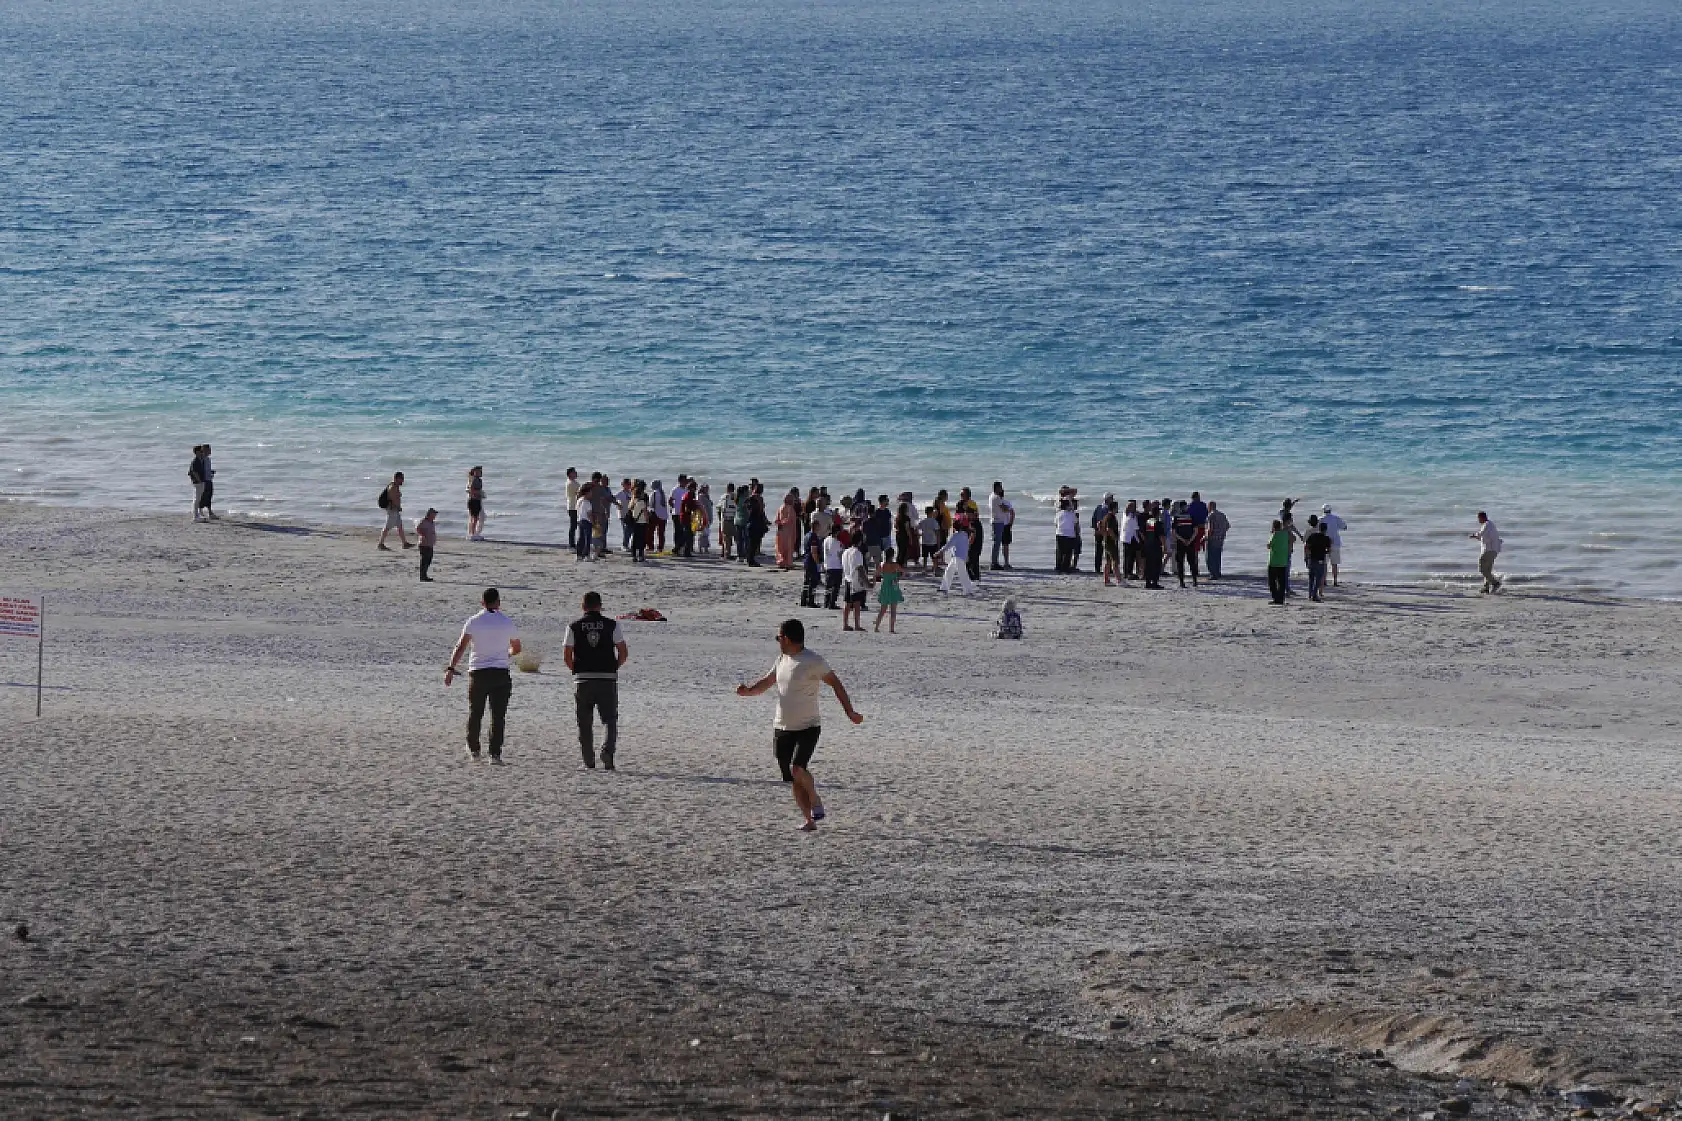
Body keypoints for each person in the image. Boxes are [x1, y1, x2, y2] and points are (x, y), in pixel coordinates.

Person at [735, 618, 864, 832]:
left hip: (808, 726)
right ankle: (809, 820)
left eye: (779, 637)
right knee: (794, 778)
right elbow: (767, 682)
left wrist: (849, 711)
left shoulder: (813, 661)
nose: (778, 641)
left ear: (787, 638)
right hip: (782, 727)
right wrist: (747, 691)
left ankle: (814, 798)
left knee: (798, 769)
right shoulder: (781, 659)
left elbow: (836, 684)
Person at [444, 587, 522, 763]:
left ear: (482, 602)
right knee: (498, 715)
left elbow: (461, 646)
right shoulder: (506, 622)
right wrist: (506, 653)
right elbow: (517, 648)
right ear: (499, 602)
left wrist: (450, 668)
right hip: (500, 673)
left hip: (478, 673)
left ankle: (474, 749)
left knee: (476, 712)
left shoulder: (474, 621)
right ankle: (495, 754)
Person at [564, 591, 629, 770]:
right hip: (607, 677)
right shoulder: (611, 625)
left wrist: (576, 671)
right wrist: (614, 667)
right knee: (609, 719)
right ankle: (607, 751)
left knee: (584, 721)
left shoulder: (574, 626)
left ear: (583, 606)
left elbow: (567, 654)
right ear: (600, 606)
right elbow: (623, 651)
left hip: (583, 679)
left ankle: (588, 761)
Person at [377, 472, 413, 551]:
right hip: (392, 510)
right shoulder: (392, 487)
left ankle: (405, 543)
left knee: (400, 527)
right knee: (387, 527)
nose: (403, 481)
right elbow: (394, 499)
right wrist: (398, 507)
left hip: (394, 510)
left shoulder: (394, 486)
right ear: (397, 478)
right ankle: (380, 543)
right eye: (401, 479)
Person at [840, 534, 870, 631]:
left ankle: (845, 624)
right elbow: (860, 568)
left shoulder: (845, 552)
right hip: (855, 580)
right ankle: (857, 625)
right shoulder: (857, 553)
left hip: (847, 578)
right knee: (857, 603)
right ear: (859, 542)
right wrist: (866, 581)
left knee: (847, 603)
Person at [939, 522, 976, 595]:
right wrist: (967, 555)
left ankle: (968, 590)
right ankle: (944, 587)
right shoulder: (965, 535)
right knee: (949, 571)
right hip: (959, 557)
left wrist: (939, 552)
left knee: (962, 573)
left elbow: (948, 545)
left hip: (957, 557)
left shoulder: (955, 535)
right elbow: (967, 546)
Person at [873, 547, 904, 633]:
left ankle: (876, 627)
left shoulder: (882, 565)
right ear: (892, 555)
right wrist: (897, 577)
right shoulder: (895, 565)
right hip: (893, 586)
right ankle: (891, 628)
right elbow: (903, 571)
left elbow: (876, 574)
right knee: (893, 609)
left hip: (885, 586)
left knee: (882, 609)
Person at [1171, 500, 1200, 588]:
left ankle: (1182, 582)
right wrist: (1190, 540)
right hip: (1190, 543)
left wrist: (1183, 540)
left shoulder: (1176, 518)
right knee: (1192, 562)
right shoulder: (1191, 517)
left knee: (1180, 562)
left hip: (1181, 543)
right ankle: (1194, 581)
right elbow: (1196, 531)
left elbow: (1174, 532)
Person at [1472, 511, 1503, 594]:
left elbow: (1481, 534)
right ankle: (1486, 587)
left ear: (1482, 517)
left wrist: (1475, 535)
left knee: (1482, 568)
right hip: (1494, 550)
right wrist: (1478, 537)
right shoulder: (1490, 525)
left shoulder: (1487, 524)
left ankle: (1495, 583)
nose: (1478, 520)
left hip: (1489, 550)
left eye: (1478, 518)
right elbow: (1486, 537)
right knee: (1488, 570)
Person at [1304, 514, 1332, 602]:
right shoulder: (1327, 539)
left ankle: (1310, 594)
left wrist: (1308, 556)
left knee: (1311, 578)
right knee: (1318, 579)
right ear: (1325, 530)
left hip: (1312, 558)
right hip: (1320, 559)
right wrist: (1326, 552)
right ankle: (1314, 595)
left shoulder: (1312, 536)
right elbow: (1329, 550)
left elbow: (1306, 546)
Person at [989, 482, 1015, 570]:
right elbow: (1004, 509)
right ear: (997, 488)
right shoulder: (996, 497)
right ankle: (994, 563)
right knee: (997, 542)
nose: (1001, 489)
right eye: (1000, 487)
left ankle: (995, 562)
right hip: (998, 521)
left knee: (998, 542)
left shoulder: (993, 496)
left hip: (998, 521)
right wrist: (1007, 508)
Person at [188, 444, 217, 522]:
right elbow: (193, 472)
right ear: (197, 452)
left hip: (203, 481)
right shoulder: (196, 461)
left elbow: (201, 471)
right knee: (197, 499)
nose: (202, 452)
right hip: (199, 482)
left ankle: (199, 515)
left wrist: (210, 473)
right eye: (201, 451)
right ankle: (196, 516)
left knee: (202, 497)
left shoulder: (202, 460)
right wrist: (199, 480)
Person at [1140, 504, 1165, 589]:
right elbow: (1161, 536)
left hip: (1147, 545)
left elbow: (1142, 533)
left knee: (1148, 564)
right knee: (1156, 564)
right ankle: (1154, 582)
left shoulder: (1148, 522)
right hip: (1156, 546)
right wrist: (1164, 546)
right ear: (1158, 514)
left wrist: (1146, 541)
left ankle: (1147, 582)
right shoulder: (1158, 523)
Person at [1320, 504, 1346, 586]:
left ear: (1323, 510)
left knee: (1324, 563)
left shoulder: (1320, 519)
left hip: (1324, 543)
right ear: (1330, 510)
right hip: (1335, 543)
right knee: (1334, 564)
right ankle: (1335, 581)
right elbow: (1344, 527)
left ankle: (1324, 581)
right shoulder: (1336, 518)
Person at [1266, 519, 1291, 605]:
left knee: (1272, 581)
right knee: (1281, 581)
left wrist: (1272, 533)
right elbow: (1293, 539)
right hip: (1283, 561)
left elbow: (1268, 546)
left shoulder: (1274, 535)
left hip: (1274, 561)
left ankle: (1275, 598)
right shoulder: (1285, 534)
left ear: (1273, 527)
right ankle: (1281, 599)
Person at [822, 524, 845, 610]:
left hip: (828, 565)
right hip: (836, 566)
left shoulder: (826, 540)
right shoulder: (837, 543)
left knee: (828, 585)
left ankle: (826, 602)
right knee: (836, 586)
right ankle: (832, 603)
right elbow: (839, 554)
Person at [776, 489, 801, 569]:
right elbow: (789, 519)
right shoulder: (790, 508)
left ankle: (781, 561)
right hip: (788, 531)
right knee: (788, 547)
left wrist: (780, 524)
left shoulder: (780, 507)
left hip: (781, 531)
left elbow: (777, 519)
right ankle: (788, 563)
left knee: (780, 547)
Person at [1205, 501, 1230, 579]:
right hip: (1220, 539)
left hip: (1212, 539)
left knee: (1210, 557)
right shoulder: (1222, 515)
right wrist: (1222, 533)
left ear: (1210, 507)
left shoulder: (1211, 516)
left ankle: (1213, 574)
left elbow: (1210, 529)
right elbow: (1228, 526)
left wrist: (1205, 537)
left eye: (1208, 507)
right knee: (1217, 556)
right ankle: (1218, 572)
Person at [1054, 497, 1079, 573]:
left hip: (1060, 533)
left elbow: (1056, 523)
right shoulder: (1072, 514)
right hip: (1069, 535)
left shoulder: (1058, 513)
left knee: (1060, 552)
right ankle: (1065, 567)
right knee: (1068, 553)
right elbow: (1075, 523)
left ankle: (1058, 567)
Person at [1100, 496, 1121, 586]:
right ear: (1114, 508)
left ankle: (1106, 579)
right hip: (1111, 542)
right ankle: (1119, 580)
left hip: (1106, 541)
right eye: (1117, 507)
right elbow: (1109, 529)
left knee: (1108, 561)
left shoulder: (1105, 517)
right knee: (1115, 561)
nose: (1118, 509)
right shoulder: (1111, 517)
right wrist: (1115, 538)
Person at [627, 482, 650, 562]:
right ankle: (640, 555)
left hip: (635, 522)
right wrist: (647, 520)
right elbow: (645, 513)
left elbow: (630, 510)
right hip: (642, 522)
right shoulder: (642, 502)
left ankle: (634, 555)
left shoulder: (632, 501)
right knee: (642, 539)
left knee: (635, 539)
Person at [574, 482, 596, 561]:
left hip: (580, 520)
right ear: (587, 492)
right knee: (587, 539)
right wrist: (593, 522)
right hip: (586, 521)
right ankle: (586, 555)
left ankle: (579, 555)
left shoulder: (579, 500)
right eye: (591, 492)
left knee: (581, 538)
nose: (592, 494)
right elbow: (589, 514)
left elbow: (577, 510)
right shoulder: (587, 503)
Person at [416, 507, 439, 581]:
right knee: (424, 560)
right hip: (423, 544)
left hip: (430, 544)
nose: (435, 516)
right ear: (429, 514)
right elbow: (418, 528)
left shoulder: (432, 522)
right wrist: (422, 535)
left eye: (435, 515)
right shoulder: (424, 521)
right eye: (434, 514)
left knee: (429, 560)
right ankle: (422, 576)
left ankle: (424, 575)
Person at [1121, 500, 1141, 580]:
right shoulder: (1132, 517)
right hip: (1130, 538)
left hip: (1125, 537)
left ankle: (1126, 573)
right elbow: (1136, 529)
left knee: (1126, 556)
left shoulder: (1125, 514)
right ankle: (1129, 573)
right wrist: (1139, 540)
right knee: (1130, 556)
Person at [917, 506, 941, 572]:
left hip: (925, 541)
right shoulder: (934, 521)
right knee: (934, 557)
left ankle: (924, 568)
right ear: (932, 512)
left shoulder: (923, 521)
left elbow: (917, 528)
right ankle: (934, 568)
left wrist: (919, 535)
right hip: (933, 541)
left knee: (925, 556)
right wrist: (938, 542)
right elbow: (937, 533)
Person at [719, 483, 738, 559]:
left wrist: (720, 518)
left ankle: (726, 553)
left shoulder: (723, 497)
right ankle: (739, 553)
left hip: (725, 518)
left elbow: (719, 508)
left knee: (726, 537)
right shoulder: (736, 496)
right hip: (734, 518)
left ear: (727, 489)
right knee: (736, 537)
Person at [466, 467, 486, 541]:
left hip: (474, 500)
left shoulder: (474, 479)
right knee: (475, 518)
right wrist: (479, 493)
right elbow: (471, 490)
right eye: (478, 471)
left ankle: (472, 533)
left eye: (480, 471)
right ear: (474, 472)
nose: (480, 473)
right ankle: (473, 534)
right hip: (474, 500)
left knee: (473, 517)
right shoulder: (474, 479)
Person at [650, 480, 669, 554]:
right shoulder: (663, 494)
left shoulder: (653, 494)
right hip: (664, 516)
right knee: (661, 533)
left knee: (651, 531)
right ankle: (660, 548)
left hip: (655, 515)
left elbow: (651, 505)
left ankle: (651, 546)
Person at [565, 468, 581, 549]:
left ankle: (574, 543)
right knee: (573, 525)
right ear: (570, 474)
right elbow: (577, 494)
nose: (576, 473)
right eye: (574, 472)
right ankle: (571, 544)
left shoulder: (575, 482)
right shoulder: (570, 483)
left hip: (576, 506)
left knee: (575, 525)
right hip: (572, 507)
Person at [696, 484, 714, 554]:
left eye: (707, 488)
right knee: (702, 533)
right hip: (702, 517)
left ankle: (705, 548)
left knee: (706, 533)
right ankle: (701, 548)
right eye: (706, 488)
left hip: (707, 516)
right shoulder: (700, 496)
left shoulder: (706, 496)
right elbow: (699, 506)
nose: (707, 490)